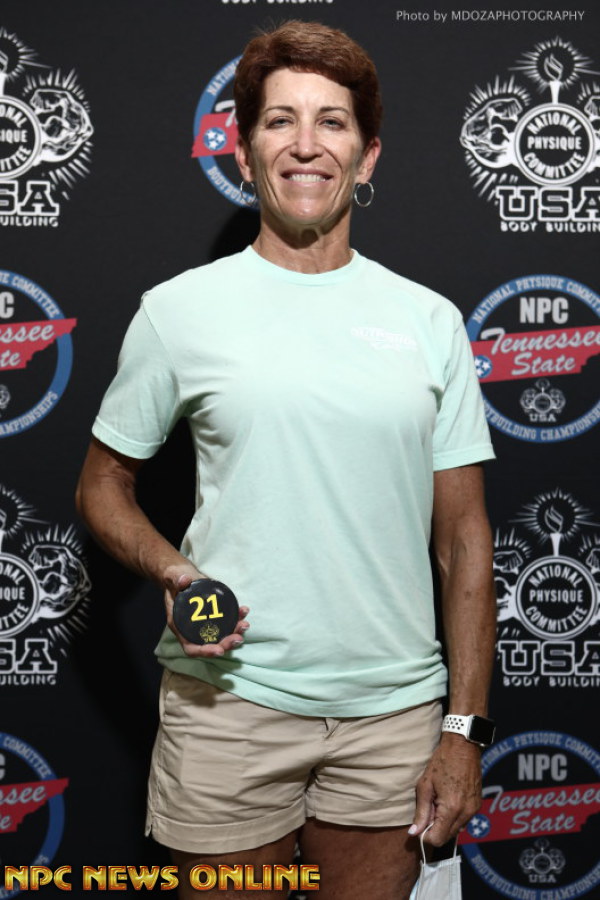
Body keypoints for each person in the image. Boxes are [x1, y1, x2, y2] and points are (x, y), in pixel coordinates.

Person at [76, 20, 496, 900]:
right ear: (243, 150)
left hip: (392, 719)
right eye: (280, 121)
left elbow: (463, 539)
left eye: (332, 122)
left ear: (367, 157)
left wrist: (463, 730)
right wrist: (173, 570)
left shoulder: (429, 322)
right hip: (226, 707)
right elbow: (102, 485)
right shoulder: (178, 312)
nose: (306, 145)